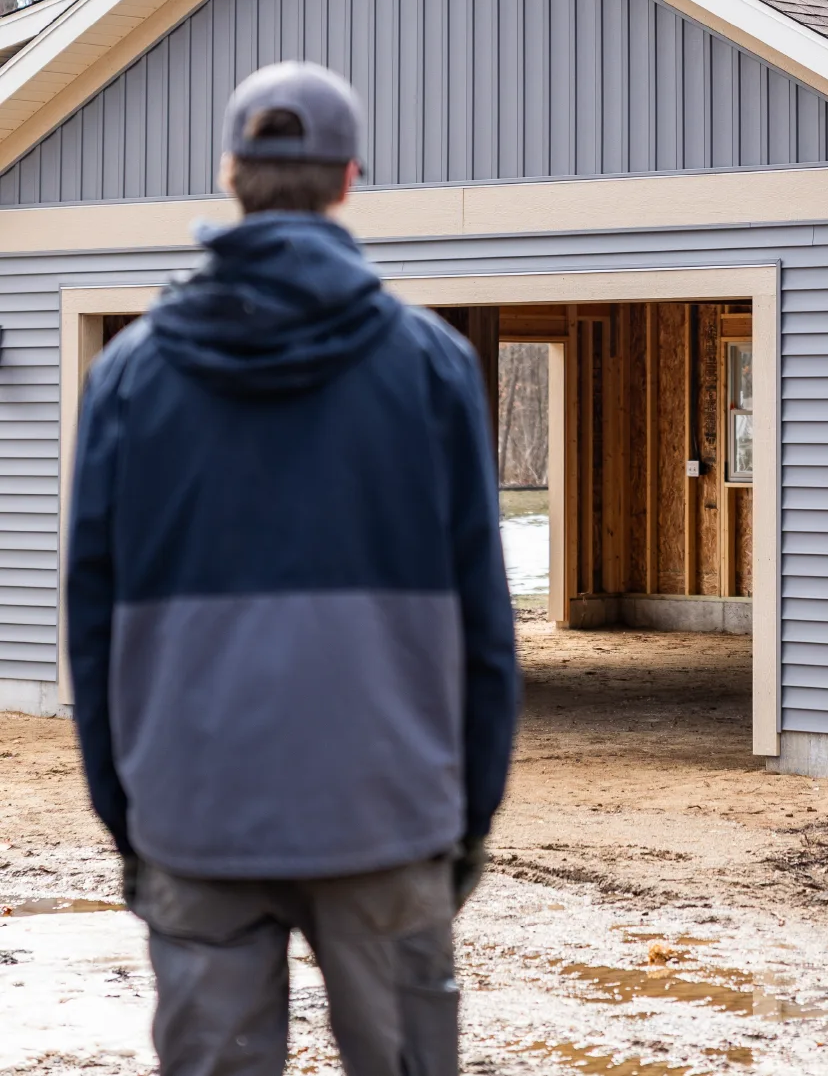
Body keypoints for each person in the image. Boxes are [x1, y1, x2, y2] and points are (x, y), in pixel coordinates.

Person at [67, 61, 518, 1076]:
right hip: (387, 809)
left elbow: (90, 622)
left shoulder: (129, 376)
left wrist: (126, 812)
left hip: (194, 811)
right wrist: (468, 813)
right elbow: (485, 625)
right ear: (350, 178)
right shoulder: (433, 368)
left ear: (230, 174)